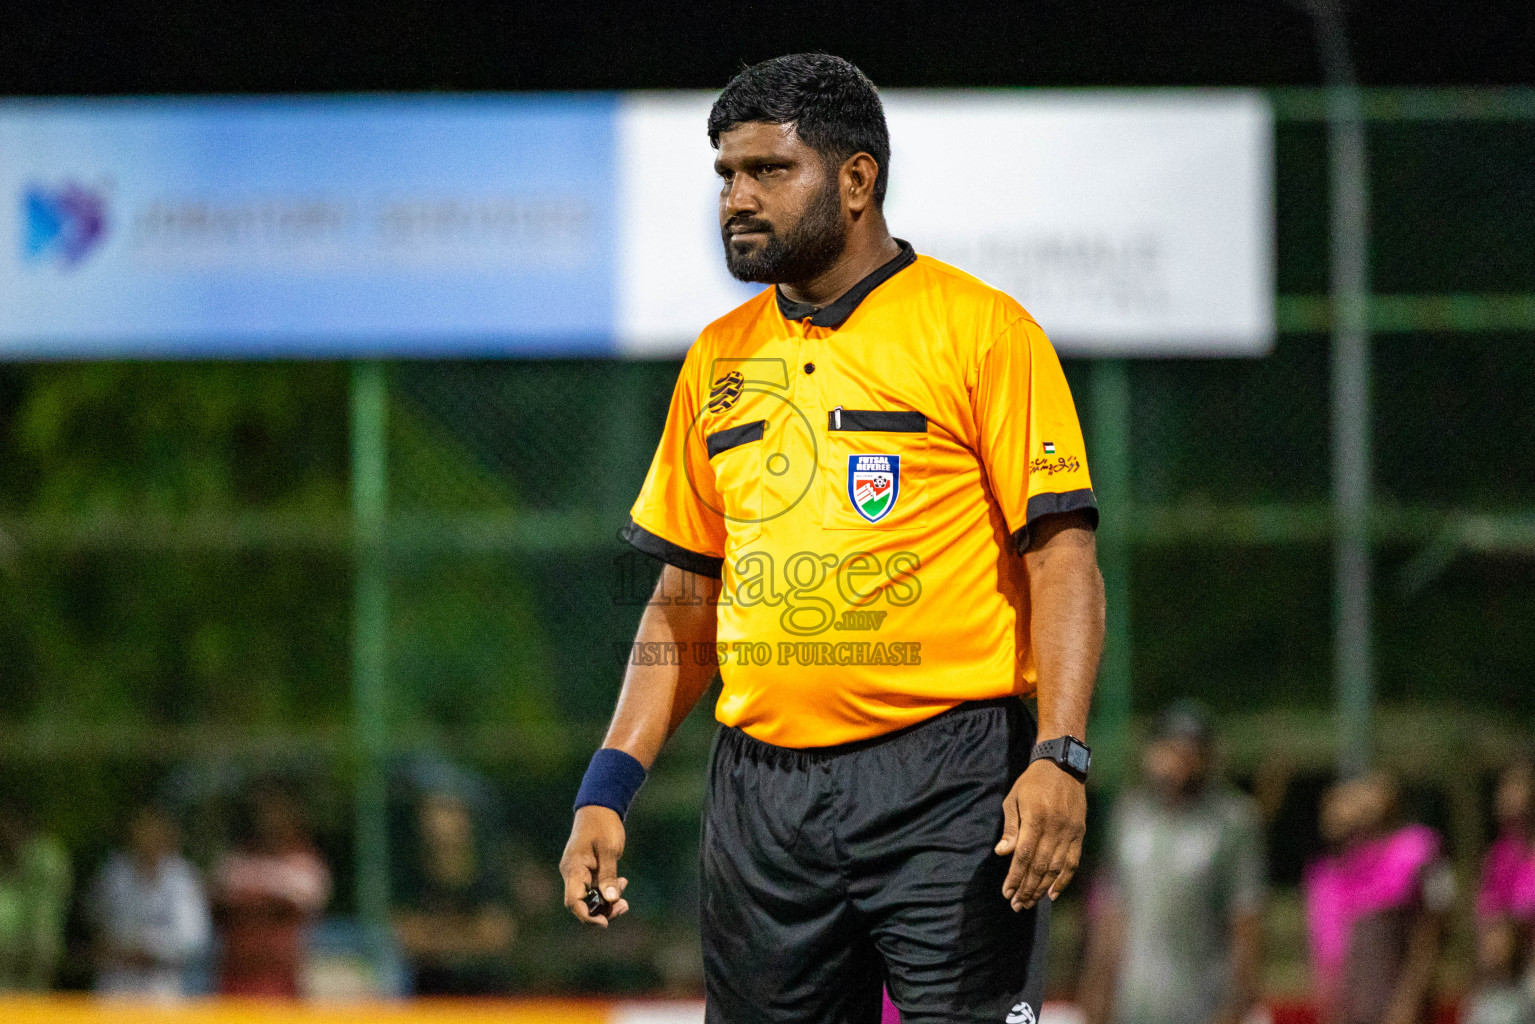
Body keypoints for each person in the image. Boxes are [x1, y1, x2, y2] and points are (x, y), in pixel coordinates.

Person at [559, 53, 1104, 1024]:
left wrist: (1057, 755)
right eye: (725, 173)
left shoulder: (979, 330)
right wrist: (606, 787)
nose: (736, 196)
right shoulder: (715, 362)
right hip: (760, 797)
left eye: (768, 170)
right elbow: (685, 594)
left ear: (856, 180)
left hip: (949, 777)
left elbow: (1062, 559)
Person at [1079, 702, 1265, 1024]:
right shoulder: (1129, 815)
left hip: (1203, 1005)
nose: (1177, 764)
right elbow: (1112, 912)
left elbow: (1245, 920)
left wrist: (1236, 1005)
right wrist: (1095, 991)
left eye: (1189, 753)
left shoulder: (1233, 821)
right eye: (1169, 750)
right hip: (1134, 1006)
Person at [1304, 772, 1454, 1024]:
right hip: (1351, 1007)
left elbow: (1433, 926)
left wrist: (1409, 999)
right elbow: (1325, 955)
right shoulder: (1326, 877)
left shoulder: (1415, 851)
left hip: (1398, 1004)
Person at [392, 790, 515, 995]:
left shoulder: (490, 874)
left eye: (447, 812)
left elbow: (497, 936)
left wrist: (435, 935)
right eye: (432, 812)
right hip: (431, 999)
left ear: (465, 820)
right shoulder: (411, 875)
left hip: (489, 999)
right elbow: (408, 937)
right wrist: (469, 934)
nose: (436, 822)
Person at [212, 785, 330, 998]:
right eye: (264, 811)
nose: (269, 819)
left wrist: (258, 896)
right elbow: (219, 898)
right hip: (236, 977)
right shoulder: (238, 857)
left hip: (281, 980)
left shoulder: (306, 861)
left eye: (277, 810)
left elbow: (306, 902)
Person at [89, 803, 210, 1000]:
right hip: (116, 983)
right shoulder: (113, 874)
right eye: (141, 828)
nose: (145, 836)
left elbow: (193, 939)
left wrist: (147, 948)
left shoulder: (182, 878)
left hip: (161, 984)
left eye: (152, 829)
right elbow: (98, 925)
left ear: (167, 834)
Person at [0, 803, 71, 992]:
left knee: (35, 991)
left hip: (38, 941)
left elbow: (51, 900)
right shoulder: (16, 858)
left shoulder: (46, 855)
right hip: (10, 944)